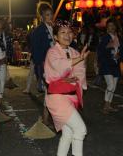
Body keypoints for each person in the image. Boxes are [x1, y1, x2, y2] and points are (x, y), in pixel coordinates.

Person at [44, 20, 89, 156]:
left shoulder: (74, 52)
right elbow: (58, 67)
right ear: (56, 37)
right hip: (57, 98)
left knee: (68, 134)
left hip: (70, 97)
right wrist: (77, 61)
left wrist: (72, 75)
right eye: (63, 32)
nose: (67, 35)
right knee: (80, 129)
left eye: (69, 32)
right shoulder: (52, 52)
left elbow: (79, 72)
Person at [30, 1, 55, 125]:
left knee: (53, 91)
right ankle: (45, 118)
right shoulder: (38, 31)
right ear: (42, 16)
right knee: (49, 91)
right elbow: (36, 52)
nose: (50, 17)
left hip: (56, 65)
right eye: (47, 15)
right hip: (46, 66)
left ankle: (48, 116)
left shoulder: (54, 29)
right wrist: (40, 68)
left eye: (51, 14)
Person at [97, 18, 123, 114]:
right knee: (110, 85)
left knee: (114, 87)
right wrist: (106, 47)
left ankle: (109, 105)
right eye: (109, 26)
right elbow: (100, 51)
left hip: (115, 64)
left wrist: (120, 56)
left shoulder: (119, 38)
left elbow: (122, 50)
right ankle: (105, 106)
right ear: (107, 28)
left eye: (113, 26)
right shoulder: (105, 38)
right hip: (106, 64)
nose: (112, 28)